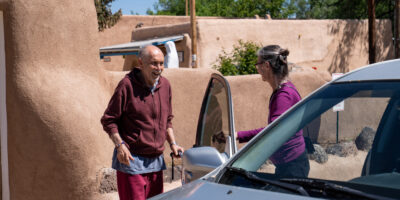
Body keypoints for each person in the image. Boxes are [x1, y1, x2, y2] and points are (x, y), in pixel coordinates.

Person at [100, 45, 184, 200]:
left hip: (156, 162)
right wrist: (120, 145)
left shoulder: (165, 85)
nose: (159, 68)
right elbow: (109, 120)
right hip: (132, 161)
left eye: (161, 63)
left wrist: (173, 144)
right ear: (141, 63)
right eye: (154, 63)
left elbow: (167, 120)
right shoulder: (127, 85)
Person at [236, 45, 310, 178]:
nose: (258, 69)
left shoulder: (283, 96)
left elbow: (273, 131)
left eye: (258, 64)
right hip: (289, 163)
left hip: (292, 166)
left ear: (266, 65)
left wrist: (238, 135)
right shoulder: (283, 90)